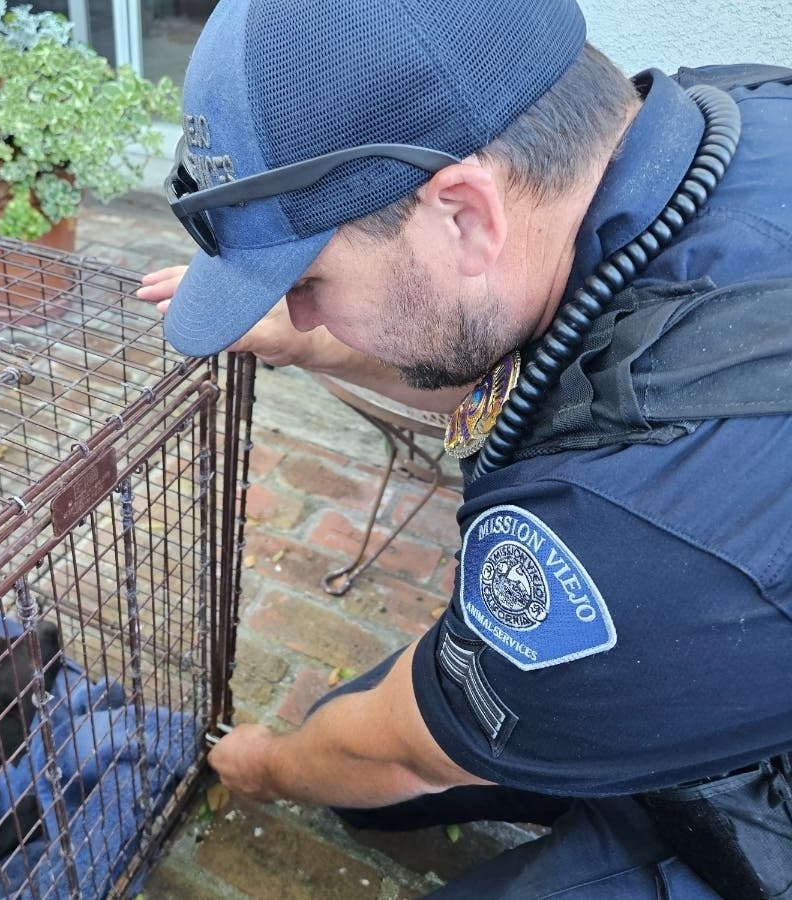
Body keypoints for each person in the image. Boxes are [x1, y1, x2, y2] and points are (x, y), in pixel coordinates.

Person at [135, 1, 792, 896]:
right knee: (367, 760)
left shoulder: (623, 527)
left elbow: (404, 752)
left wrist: (265, 765)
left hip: (763, 783)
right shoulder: (731, 114)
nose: (300, 310)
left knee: (372, 757)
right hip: (712, 640)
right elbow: (520, 359)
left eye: (310, 280)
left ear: (466, 216)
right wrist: (311, 345)